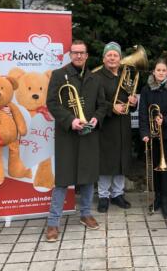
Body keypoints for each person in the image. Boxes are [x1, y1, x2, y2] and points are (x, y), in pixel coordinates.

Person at [45, 40, 107, 242]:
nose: (79, 56)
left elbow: (103, 104)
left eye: (82, 53)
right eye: (75, 53)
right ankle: (53, 223)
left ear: (87, 55)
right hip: (67, 135)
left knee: (88, 177)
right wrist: (70, 120)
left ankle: (86, 214)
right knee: (63, 179)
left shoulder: (94, 78)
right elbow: (52, 103)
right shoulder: (58, 75)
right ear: (70, 54)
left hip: (89, 134)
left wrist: (97, 117)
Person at [94, 42, 136, 212]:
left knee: (121, 160)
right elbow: (96, 101)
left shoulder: (125, 76)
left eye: (115, 55)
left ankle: (118, 194)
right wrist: (112, 107)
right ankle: (103, 196)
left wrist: (134, 102)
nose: (112, 58)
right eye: (109, 55)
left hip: (123, 125)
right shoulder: (97, 77)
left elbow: (130, 101)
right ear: (104, 58)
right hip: (107, 125)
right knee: (105, 162)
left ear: (120, 59)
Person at [139, 58, 167, 219]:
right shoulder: (146, 89)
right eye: (158, 70)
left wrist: (165, 120)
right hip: (152, 135)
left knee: (165, 170)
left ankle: (165, 202)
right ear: (153, 72)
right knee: (155, 168)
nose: (161, 73)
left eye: (164, 70)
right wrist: (144, 133)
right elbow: (143, 112)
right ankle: (157, 199)